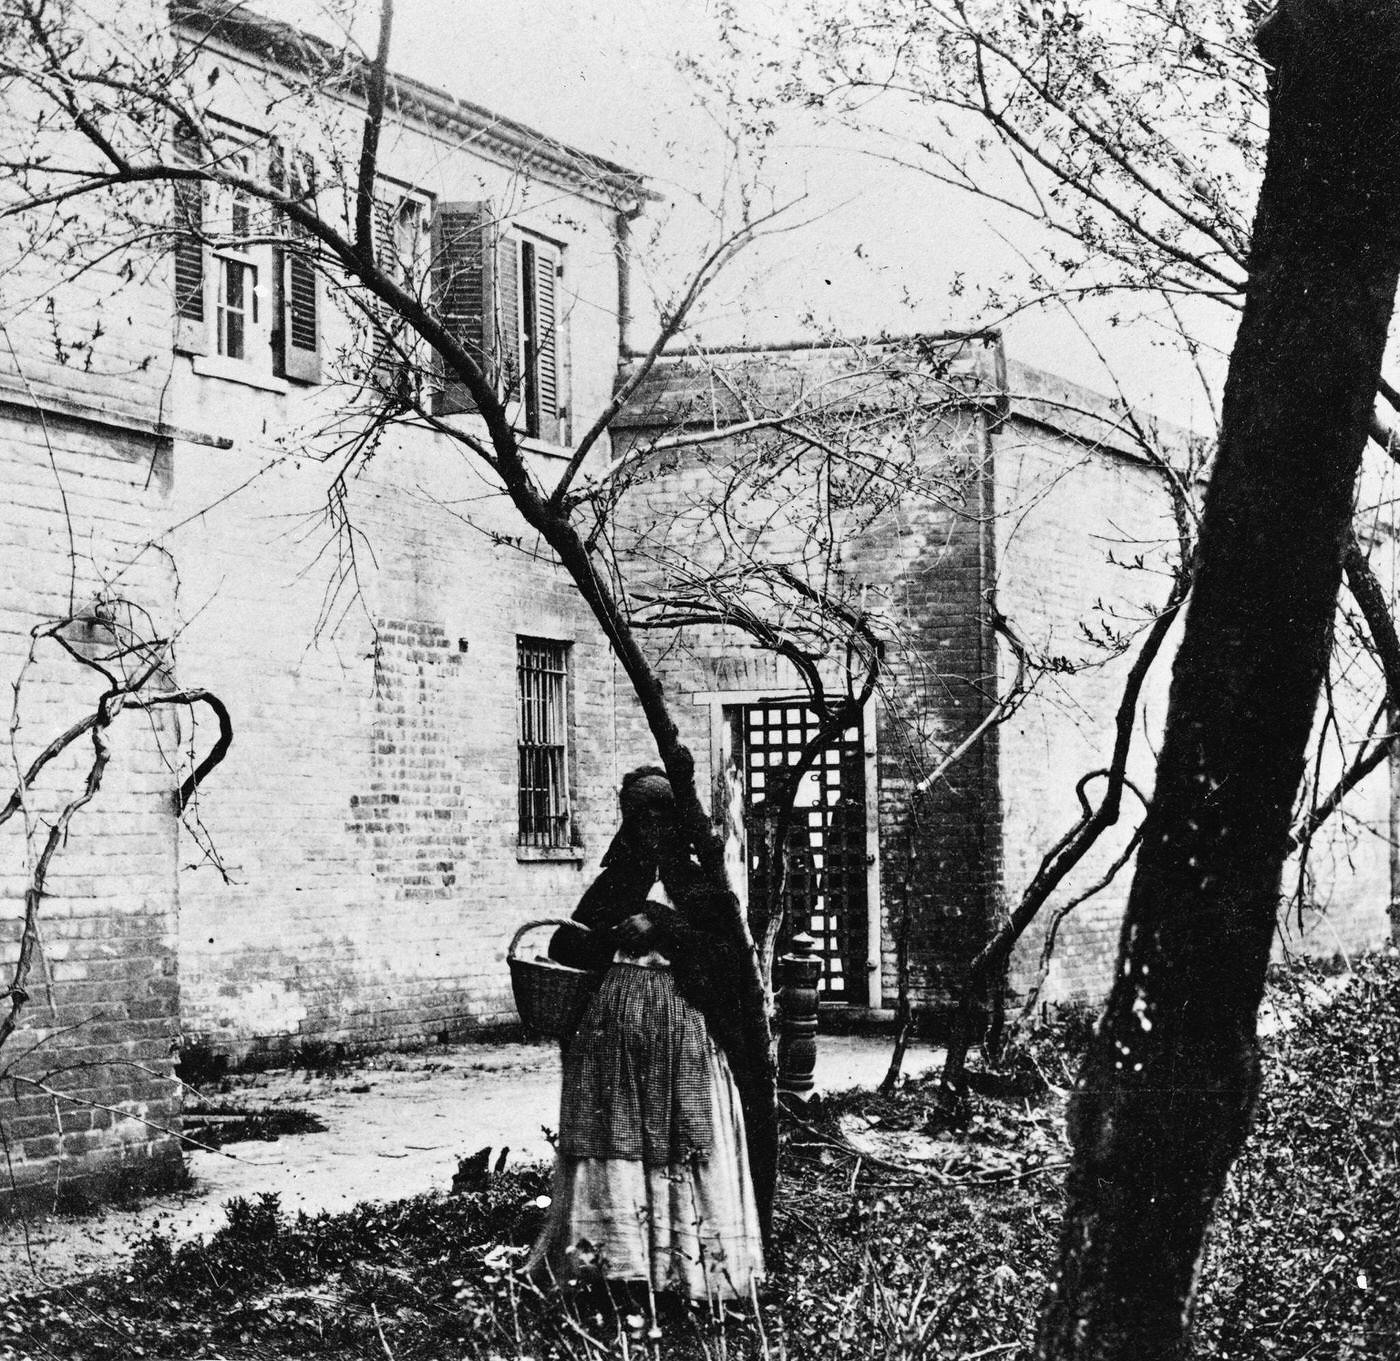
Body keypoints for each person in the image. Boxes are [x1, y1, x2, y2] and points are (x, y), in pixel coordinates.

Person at [528, 766, 765, 1306]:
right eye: (640, 815)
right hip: (612, 1036)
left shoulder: (702, 879)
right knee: (615, 1139)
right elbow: (569, 945)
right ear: (628, 821)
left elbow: (731, 956)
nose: (651, 825)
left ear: (677, 818)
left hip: (682, 1029)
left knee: (682, 1139)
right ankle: (618, 1266)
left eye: (662, 812)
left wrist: (664, 923)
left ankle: (683, 1271)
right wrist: (615, 932)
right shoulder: (618, 877)